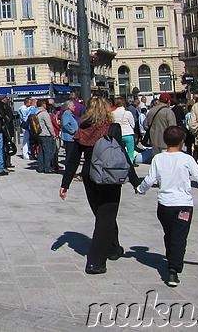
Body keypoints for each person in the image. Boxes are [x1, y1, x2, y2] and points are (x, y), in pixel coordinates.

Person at [136, 126, 198, 287]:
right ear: (182, 142)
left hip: (164, 205)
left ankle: (172, 258)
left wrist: (140, 189)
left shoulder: (158, 158)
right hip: (183, 205)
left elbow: (149, 180)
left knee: (169, 234)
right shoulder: (187, 159)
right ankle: (173, 269)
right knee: (179, 237)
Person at [60, 96, 140, 275]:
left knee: (102, 213)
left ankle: (114, 248)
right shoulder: (112, 128)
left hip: (89, 174)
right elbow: (122, 156)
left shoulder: (83, 129)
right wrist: (135, 181)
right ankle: (95, 261)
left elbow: (73, 159)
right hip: (109, 173)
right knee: (106, 215)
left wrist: (65, 183)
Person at [144, 94, 177, 158]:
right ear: (168, 101)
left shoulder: (151, 111)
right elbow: (173, 127)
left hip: (153, 140)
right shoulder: (168, 112)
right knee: (166, 161)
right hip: (166, 141)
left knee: (156, 160)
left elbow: (145, 125)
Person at [33, 99, 56, 173]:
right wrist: (53, 134)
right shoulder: (44, 113)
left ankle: (40, 167)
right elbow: (49, 125)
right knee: (47, 152)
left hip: (39, 134)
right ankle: (47, 168)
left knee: (41, 152)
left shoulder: (36, 112)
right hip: (46, 134)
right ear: (43, 105)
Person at [112, 97, 137, 164]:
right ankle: (130, 166)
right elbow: (132, 124)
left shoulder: (112, 113)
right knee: (130, 152)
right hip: (128, 134)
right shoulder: (127, 113)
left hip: (118, 134)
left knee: (119, 152)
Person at [60, 100, 79, 179]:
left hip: (72, 138)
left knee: (72, 155)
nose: (75, 107)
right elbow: (65, 124)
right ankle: (69, 172)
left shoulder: (70, 114)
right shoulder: (66, 114)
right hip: (69, 138)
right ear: (69, 106)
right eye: (73, 106)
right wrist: (73, 131)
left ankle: (71, 171)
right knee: (70, 156)